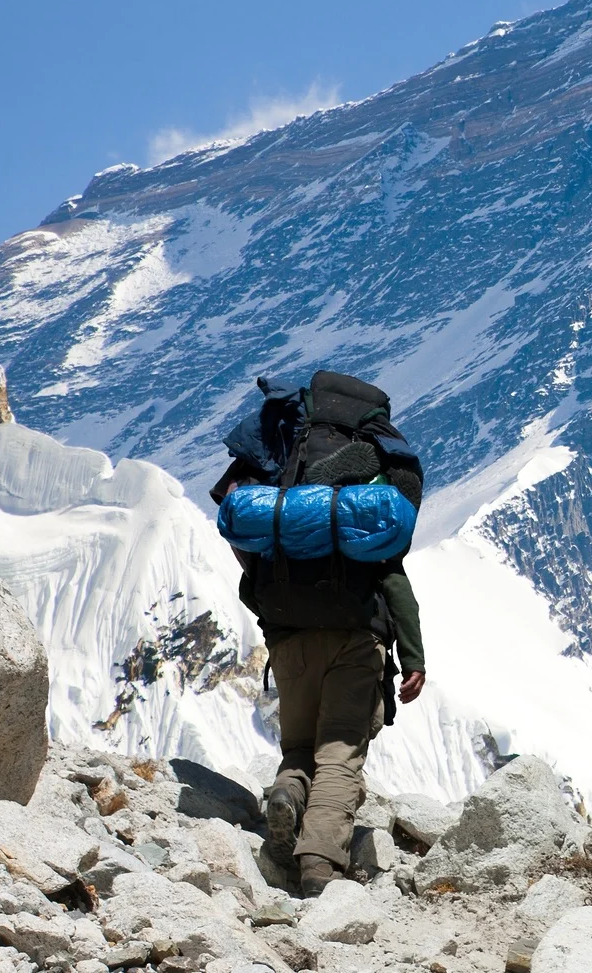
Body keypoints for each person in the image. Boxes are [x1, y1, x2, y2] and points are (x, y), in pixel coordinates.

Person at [210, 370, 427, 896]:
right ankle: (319, 867)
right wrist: (413, 653)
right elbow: (392, 577)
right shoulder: (367, 481)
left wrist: (271, 612)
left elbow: (248, 558)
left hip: (290, 637)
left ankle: (286, 793)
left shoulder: (284, 470)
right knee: (340, 752)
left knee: (301, 745)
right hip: (355, 639)